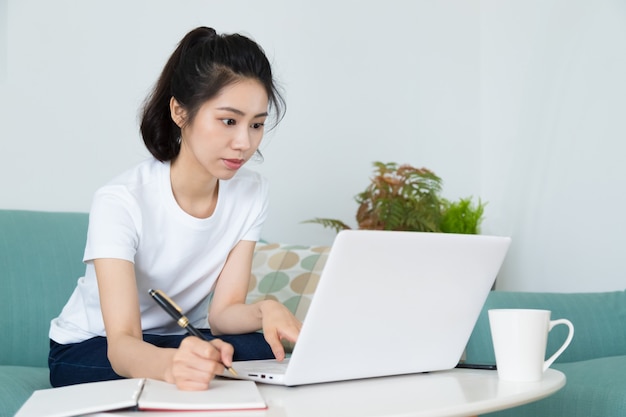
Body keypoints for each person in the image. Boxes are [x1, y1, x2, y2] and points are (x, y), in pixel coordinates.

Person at [48, 26, 299, 390]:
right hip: (92, 348)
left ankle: (193, 366)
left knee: (262, 347)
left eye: (257, 124)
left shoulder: (252, 192)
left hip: (182, 340)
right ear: (180, 112)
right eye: (229, 121)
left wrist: (266, 310)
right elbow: (121, 344)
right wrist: (171, 365)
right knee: (216, 361)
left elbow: (224, 313)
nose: (244, 142)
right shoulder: (120, 200)